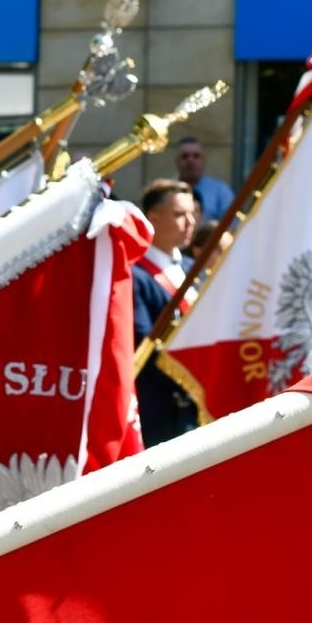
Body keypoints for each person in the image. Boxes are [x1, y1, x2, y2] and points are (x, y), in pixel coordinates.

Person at [132, 179, 201, 444]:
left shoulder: (192, 267)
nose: (190, 222)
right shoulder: (136, 274)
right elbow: (143, 342)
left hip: (192, 405)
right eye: (179, 214)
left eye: (192, 214)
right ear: (154, 218)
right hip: (160, 409)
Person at [174, 135, 235, 223]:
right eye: (185, 156)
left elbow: (232, 226)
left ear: (203, 160)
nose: (190, 160)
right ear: (176, 161)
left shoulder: (221, 192)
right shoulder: (166, 192)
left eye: (196, 156)